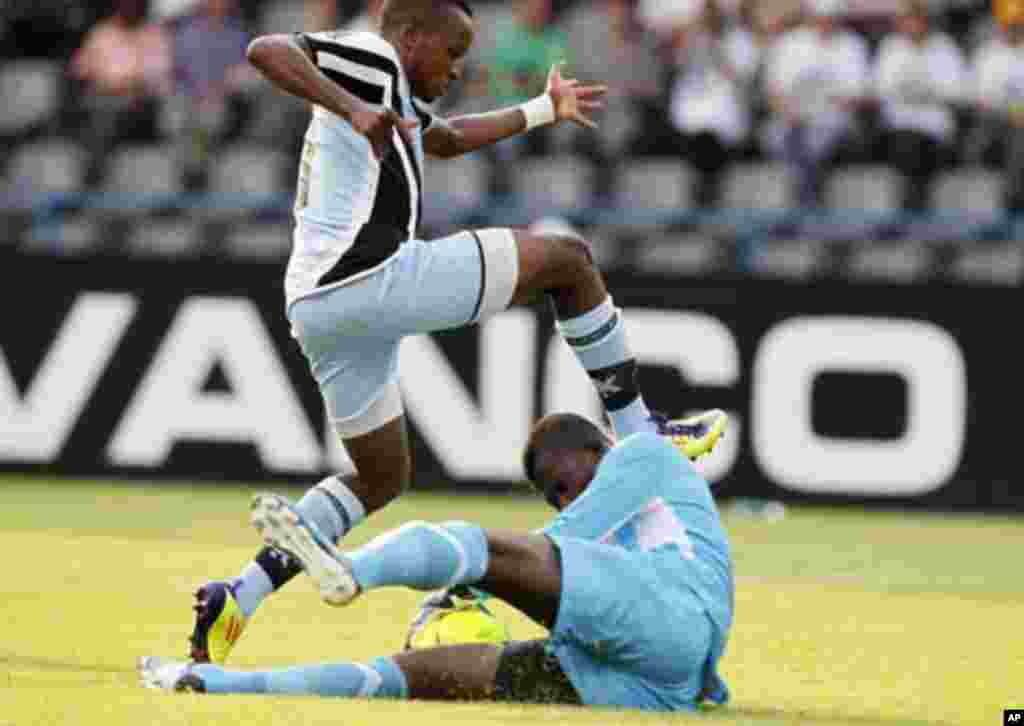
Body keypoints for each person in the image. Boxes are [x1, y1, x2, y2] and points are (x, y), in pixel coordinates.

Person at [184, 0, 729, 667]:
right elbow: (267, 48)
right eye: (452, 51)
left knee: (381, 474)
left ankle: (237, 595)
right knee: (568, 261)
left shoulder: (394, 92)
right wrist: (349, 108)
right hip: (369, 274)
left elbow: (444, 138)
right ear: (411, 39)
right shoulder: (374, 59)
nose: (457, 67)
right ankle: (641, 428)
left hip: (320, 306)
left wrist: (540, 110)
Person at [141, 412, 734, 712]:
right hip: (656, 682)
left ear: (596, 449)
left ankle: (350, 569)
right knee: (419, 675)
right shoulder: (626, 501)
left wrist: (468, 586)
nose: (566, 496)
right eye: (553, 492)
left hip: (674, 610)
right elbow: (566, 546)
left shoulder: (639, 453)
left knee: (477, 547)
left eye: (565, 479)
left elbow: (563, 535)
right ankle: (218, 683)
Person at [873, 0, 965, 213]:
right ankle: (917, 209)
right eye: (908, 21)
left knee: (918, 146)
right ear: (901, 24)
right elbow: (880, 88)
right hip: (899, 126)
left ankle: (911, 210)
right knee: (908, 144)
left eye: (917, 21)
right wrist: (915, 90)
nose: (913, 26)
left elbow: (958, 91)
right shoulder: (890, 47)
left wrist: (924, 90)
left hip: (934, 129)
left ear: (926, 22)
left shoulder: (945, 48)